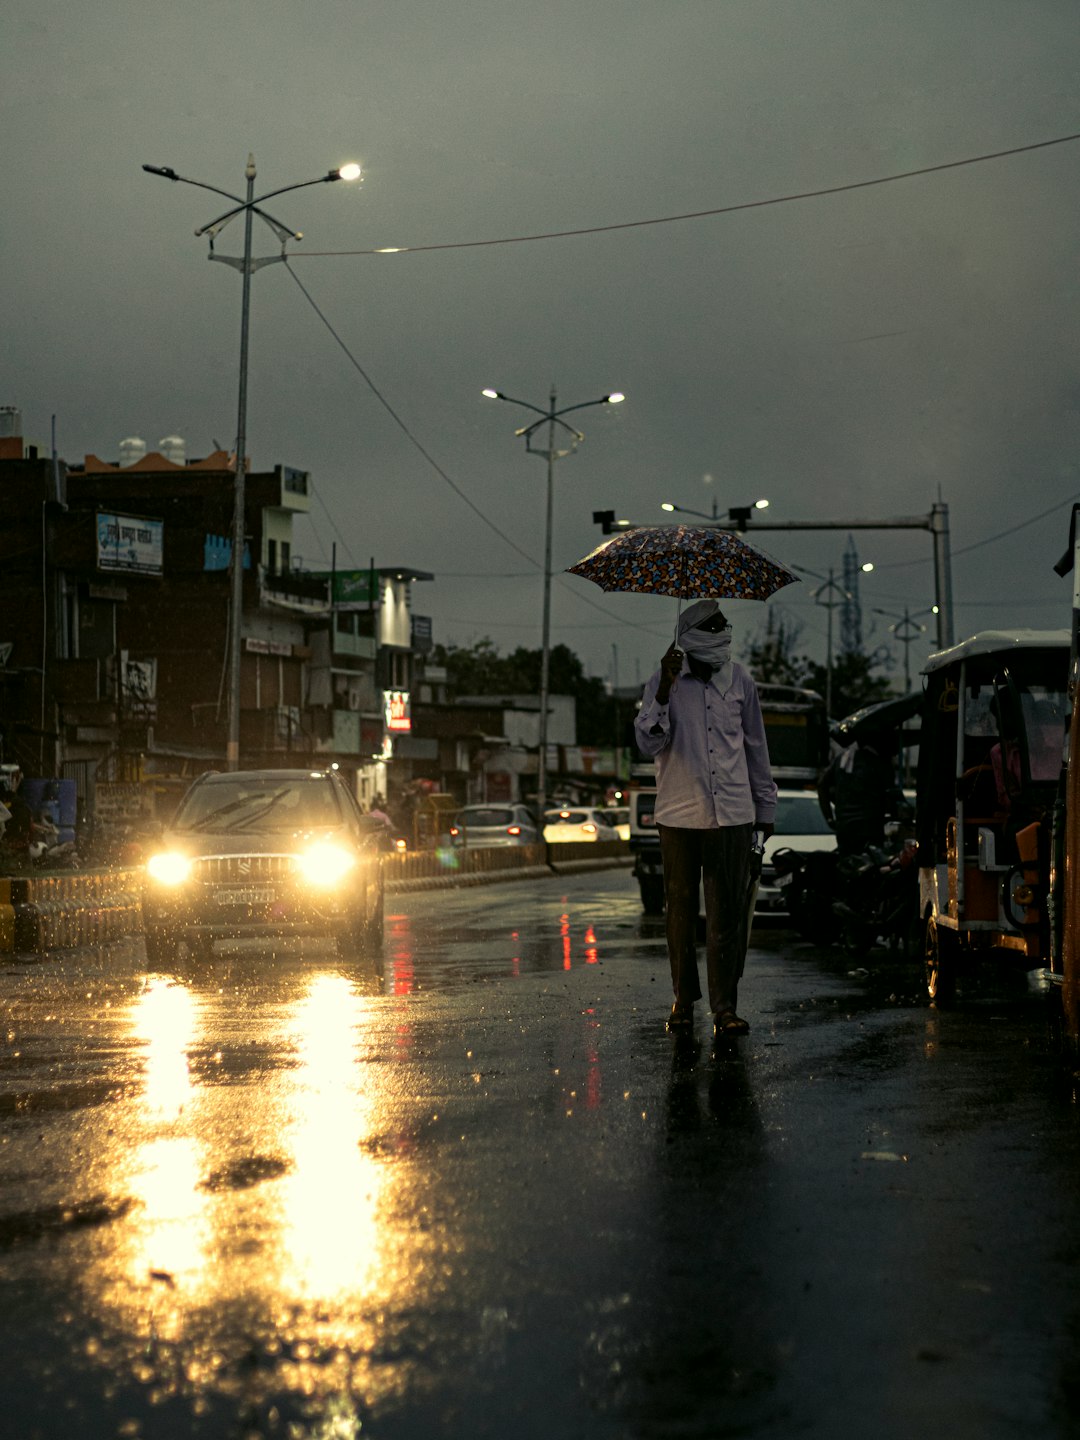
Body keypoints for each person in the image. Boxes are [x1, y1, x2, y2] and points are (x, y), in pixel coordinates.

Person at [635, 600, 777, 1038]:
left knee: (727, 916)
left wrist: (764, 812)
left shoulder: (740, 682)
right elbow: (647, 742)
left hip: (732, 815)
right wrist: (663, 691)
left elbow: (756, 748)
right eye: (713, 627)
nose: (723, 633)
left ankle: (724, 1009)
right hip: (678, 815)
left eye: (724, 626)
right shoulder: (664, 681)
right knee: (678, 912)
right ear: (690, 636)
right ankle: (683, 1000)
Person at [817, 732, 899, 855]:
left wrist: (829, 817)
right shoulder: (880, 764)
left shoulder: (842, 760)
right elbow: (891, 798)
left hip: (844, 829)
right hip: (870, 829)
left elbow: (821, 785)